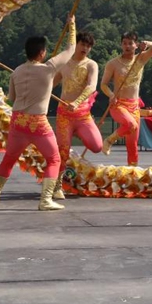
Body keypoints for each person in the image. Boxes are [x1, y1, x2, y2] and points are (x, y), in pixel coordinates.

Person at [0, 13, 76, 210]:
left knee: (9, 158)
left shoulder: (16, 71)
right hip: (37, 123)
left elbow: (11, 97)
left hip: (17, 121)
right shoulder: (49, 68)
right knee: (54, 159)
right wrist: (72, 26)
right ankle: (45, 200)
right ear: (42, 52)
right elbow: (71, 49)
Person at [52, 31, 103, 200]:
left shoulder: (91, 65)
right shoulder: (64, 63)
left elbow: (91, 86)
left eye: (88, 46)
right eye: (83, 44)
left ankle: (78, 133)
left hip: (82, 114)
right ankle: (58, 186)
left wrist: (77, 102)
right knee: (63, 151)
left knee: (97, 146)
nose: (85, 48)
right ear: (76, 45)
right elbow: (52, 83)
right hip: (64, 114)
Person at [100, 32, 152, 166]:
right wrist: (111, 95)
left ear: (136, 45)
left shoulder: (140, 58)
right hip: (119, 105)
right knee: (131, 125)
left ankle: (132, 172)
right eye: (124, 43)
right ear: (121, 45)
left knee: (132, 144)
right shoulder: (113, 64)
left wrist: (147, 44)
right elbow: (103, 84)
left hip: (134, 106)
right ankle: (109, 140)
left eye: (130, 43)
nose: (127, 46)